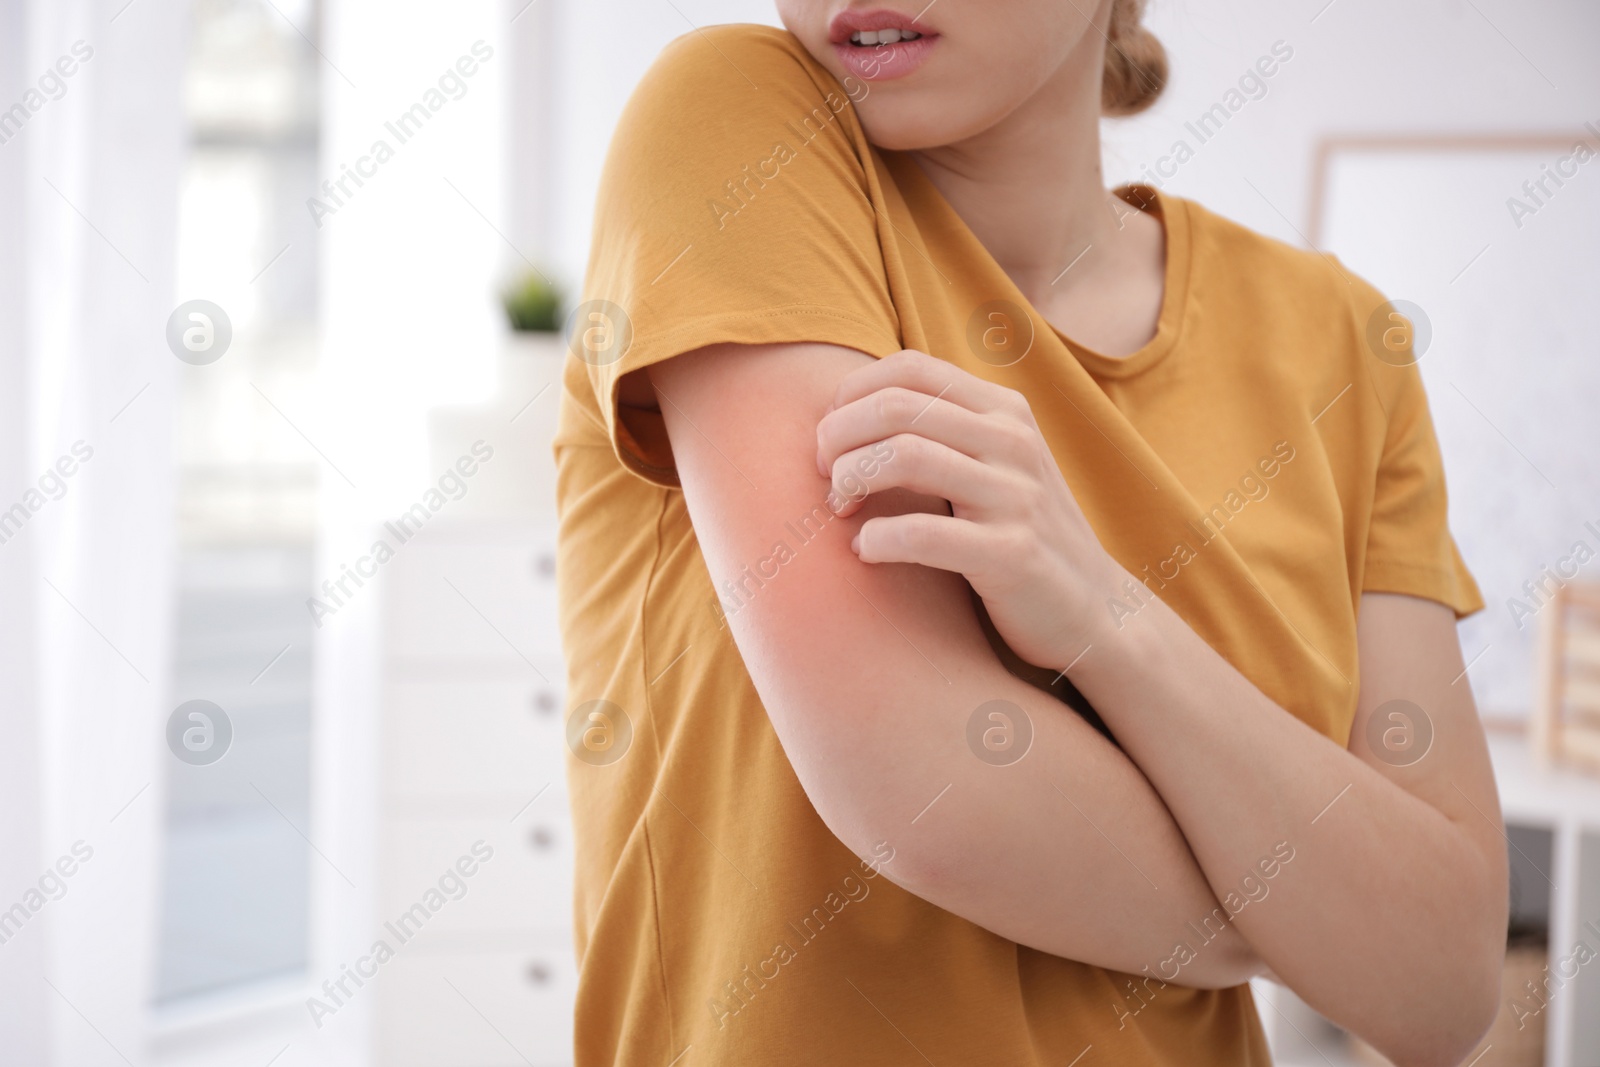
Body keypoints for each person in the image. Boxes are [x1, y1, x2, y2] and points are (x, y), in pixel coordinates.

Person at [551, 2, 1507, 1064]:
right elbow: (929, 790)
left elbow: (1449, 987)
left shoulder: (1342, 342)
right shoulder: (733, 124)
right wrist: (1322, 913)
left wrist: (1108, 616)